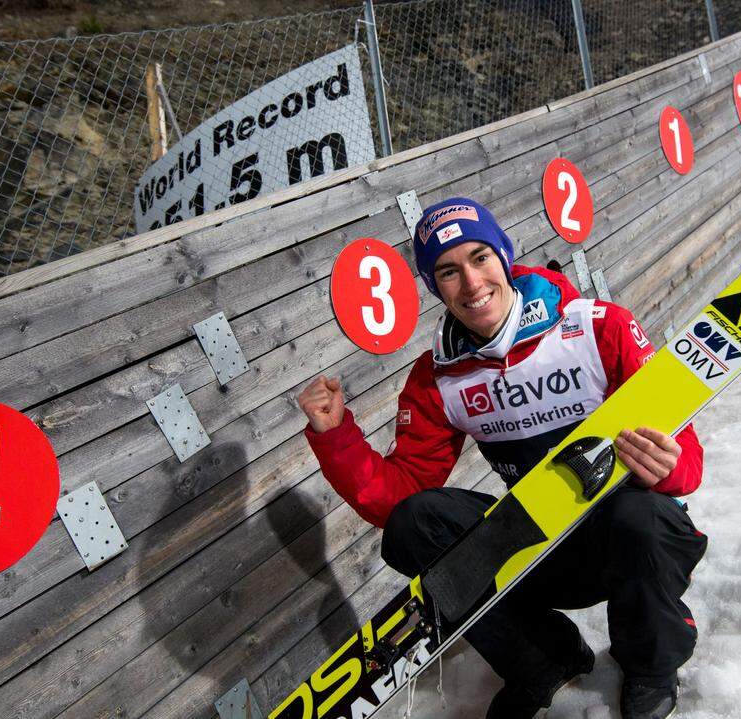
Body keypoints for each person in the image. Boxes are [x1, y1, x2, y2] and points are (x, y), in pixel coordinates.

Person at [299, 197, 707, 719]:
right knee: (413, 525)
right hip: (541, 546)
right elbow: (398, 498)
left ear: (504, 258)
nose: (471, 284)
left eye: (480, 259)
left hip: (627, 541)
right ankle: (542, 659)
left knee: (642, 516)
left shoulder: (596, 327)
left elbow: (686, 453)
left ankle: (650, 664)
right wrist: (337, 437)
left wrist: (671, 466)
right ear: (435, 287)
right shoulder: (438, 378)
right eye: (448, 271)